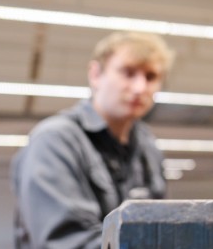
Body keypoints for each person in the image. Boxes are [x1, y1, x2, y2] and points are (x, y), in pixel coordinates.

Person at [12, 32, 173, 249]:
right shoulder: (54, 141)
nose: (139, 88)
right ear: (96, 74)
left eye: (151, 77)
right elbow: (68, 243)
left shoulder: (148, 147)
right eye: (128, 73)